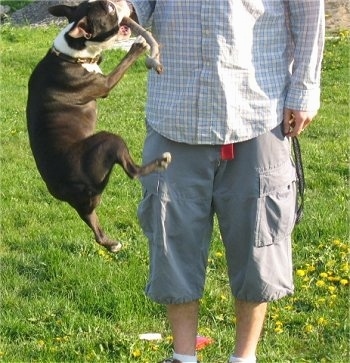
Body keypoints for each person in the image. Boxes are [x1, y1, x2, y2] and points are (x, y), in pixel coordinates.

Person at [127, 1, 324, 362]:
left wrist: (305, 90)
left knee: (258, 246)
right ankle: (183, 356)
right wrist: (117, 10)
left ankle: (244, 358)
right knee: (173, 243)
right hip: (176, 111)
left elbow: (309, 10)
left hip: (256, 110)